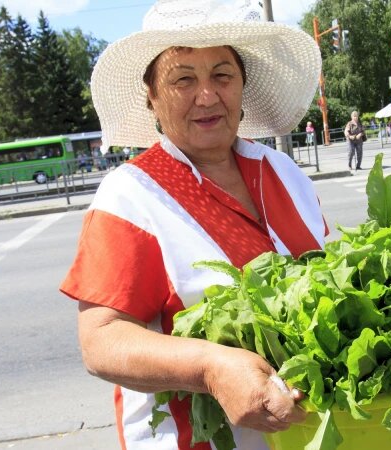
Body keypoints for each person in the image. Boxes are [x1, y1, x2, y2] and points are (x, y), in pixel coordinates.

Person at [59, 1, 325, 449]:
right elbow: (101, 343)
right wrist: (210, 367)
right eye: (183, 78)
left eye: (222, 75)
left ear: (243, 86)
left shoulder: (283, 170)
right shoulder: (132, 194)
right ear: (152, 95)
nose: (206, 95)